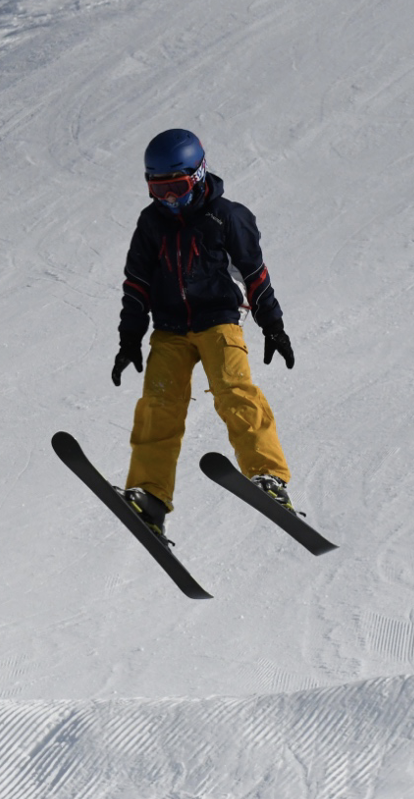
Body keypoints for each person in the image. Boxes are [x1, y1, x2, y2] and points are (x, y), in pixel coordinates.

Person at [112, 128, 295, 542]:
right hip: (169, 329)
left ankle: (269, 479)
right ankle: (150, 497)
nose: (169, 200)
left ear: (198, 175)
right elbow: (137, 284)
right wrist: (129, 338)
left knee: (235, 391)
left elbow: (255, 274)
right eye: (158, 190)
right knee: (158, 405)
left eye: (176, 187)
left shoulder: (227, 216)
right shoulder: (150, 224)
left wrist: (273, 324)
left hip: (218, 321)